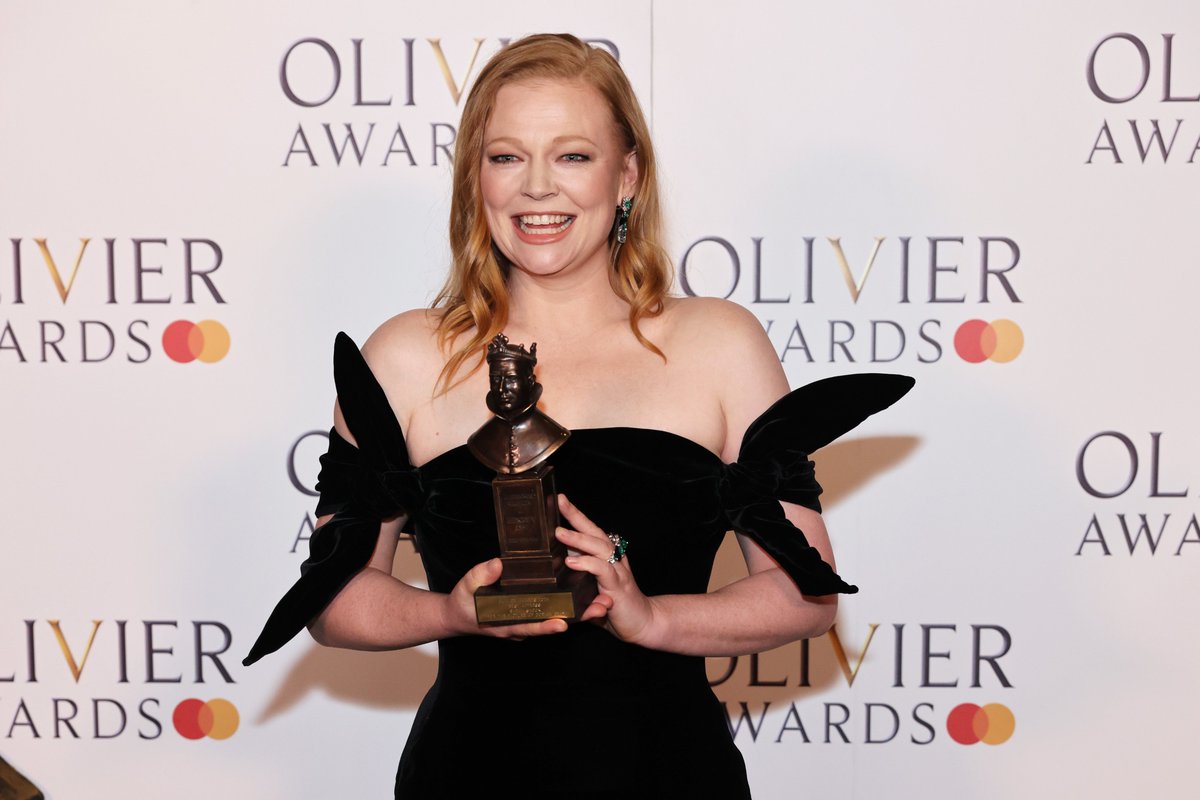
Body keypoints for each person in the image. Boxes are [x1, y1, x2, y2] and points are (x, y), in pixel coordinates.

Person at [244, 33, 912, 798]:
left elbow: (806, 595)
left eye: (571, 156)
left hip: (667, 773)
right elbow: (334, 601)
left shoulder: (718, 345)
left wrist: (650, 617)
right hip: (467, 777)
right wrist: (452, 612)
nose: (536, 188)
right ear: (475, 180)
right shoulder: (403, 357)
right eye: (505, 157)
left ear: (626, 176)